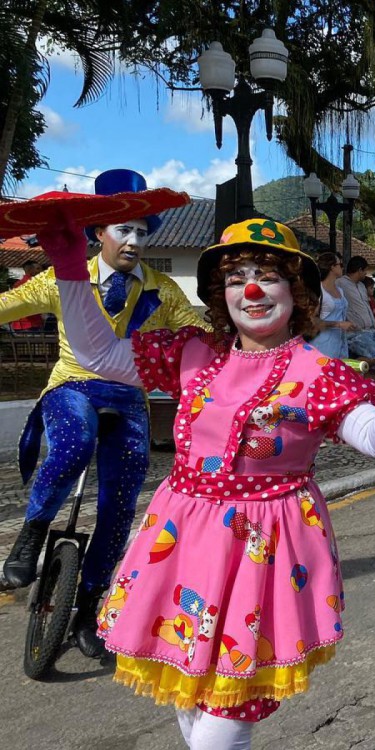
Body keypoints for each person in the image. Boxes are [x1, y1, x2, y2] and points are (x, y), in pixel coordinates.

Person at [36, 215, 375, 749]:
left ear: (296, 290)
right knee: (188, 695)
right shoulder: (191, 352)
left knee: (223, 723)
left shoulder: (318, 371)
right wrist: (68, 271)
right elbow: (98, 355)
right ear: (220, 294)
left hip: (262, 554)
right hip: (182, 545)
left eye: (267, 274)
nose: (250, 289)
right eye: (235, 276)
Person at [0, 169, 206, 659]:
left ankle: (92, 601)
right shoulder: (59, 278)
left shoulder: (164, 290)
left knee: (123, 497)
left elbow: (195, 330)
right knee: (74, 442)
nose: (134, 241)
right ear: (98, 232)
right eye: (124, 230)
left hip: (128, 396)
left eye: (142, 231)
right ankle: (31, 534)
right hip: (71, 386)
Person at [337, 255, 375, 367]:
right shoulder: (340, 283)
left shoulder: (362, 286)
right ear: (359, 270)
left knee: (373, 367)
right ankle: (344, 367)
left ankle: (368, 384)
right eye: (365, 271)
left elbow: (367, 306)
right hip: (357, 332)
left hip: (372, 331)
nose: (365, 274)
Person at [309, 252, 352, 358]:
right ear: (332, 267)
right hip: (322, 345)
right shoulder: (319, 291)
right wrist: (339, 324)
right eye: (340, 265)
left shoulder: (340, 291)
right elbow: (312, 321)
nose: (343, 268)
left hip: (340, 344)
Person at [10, 260, 46, 332]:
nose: (41, 271)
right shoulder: (34, 283)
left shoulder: (17, 284)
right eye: (38, 269)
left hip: (19, 322)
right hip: (31, 322)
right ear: (30, 270)